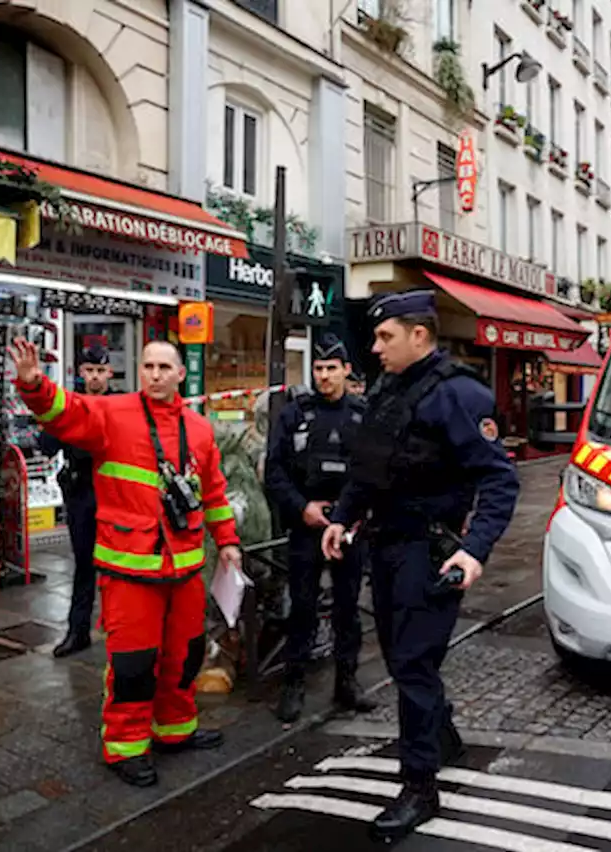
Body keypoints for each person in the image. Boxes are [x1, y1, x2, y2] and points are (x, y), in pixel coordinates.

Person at [321, 290, 519, 841]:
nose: (375, 347)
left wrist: (474, 549)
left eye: (385, 337)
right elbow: (369, 467)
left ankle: (419, 787)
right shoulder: (390, 388)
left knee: (410, 665)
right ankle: (443, 735)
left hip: (428, 553)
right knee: (402, 656)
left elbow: (500, 480)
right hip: (385, 547)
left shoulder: (457, 396)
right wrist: (342, 516)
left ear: (419, 336)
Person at [9, 337, 243, 788]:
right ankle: (125, 746)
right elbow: (66, 413)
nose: (154, 374)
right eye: (147, 366)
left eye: (163, 367)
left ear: (180, 375)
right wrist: (34, 383)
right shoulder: (112, 414)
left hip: (186, 569)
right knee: (133, 666)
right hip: (129, 570)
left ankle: (174, 731)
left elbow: (212, 492)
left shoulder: (198, 429)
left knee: (185, 657)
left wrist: (228, 541)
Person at [265, 334, 376, 723]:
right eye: (318, 369)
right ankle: (293, 685)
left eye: (332, 368)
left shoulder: (364, 415)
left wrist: (351, 515)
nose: (324, 376)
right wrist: (302, 508)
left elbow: (374, 473)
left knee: (348, 608)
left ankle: (347, 683)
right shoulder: (294, 413)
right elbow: (274, 471)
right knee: (303, 608)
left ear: (347, 370)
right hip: (306, 527)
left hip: (349, 529)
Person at [36, 344, 113, 658]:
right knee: (83, 565)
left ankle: (118, 629)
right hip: (82, 492)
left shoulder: (121, 405)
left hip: (114, 493)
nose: (95, 378)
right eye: (89, 371)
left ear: (109, 372)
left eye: (100, 371)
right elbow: (46, 445)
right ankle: (77, 631)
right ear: (81, 373)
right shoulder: (70, 405)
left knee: (115, 567)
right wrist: (64, 420)